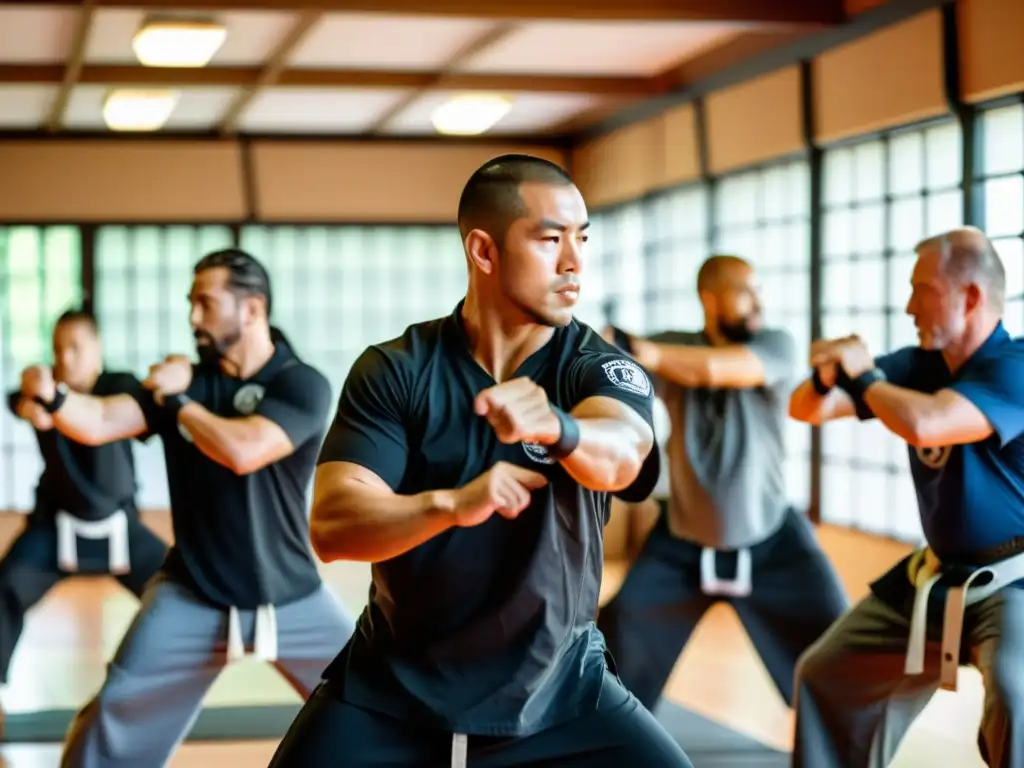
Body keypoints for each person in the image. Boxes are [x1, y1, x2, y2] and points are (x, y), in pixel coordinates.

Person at [268, 155, 693, 768]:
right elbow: (333, 526)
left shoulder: (596, 367)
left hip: (562, 695)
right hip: (391, 693)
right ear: (484, 252)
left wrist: (560, 427)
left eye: (582, 238)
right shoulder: (397, 370)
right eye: (550, 239)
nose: (574, 261)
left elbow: (624, 454)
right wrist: (451, 504)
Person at [18, 250, 354, 768]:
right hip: (191, 590)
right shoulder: (187, 380)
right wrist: (57, 398)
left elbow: (245, 450)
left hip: (290, 593)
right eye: (189, 303)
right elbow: (102, 418)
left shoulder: (300, 382)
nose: (193, 317)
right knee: (111, 714)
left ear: (252, 308)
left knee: (370, 702)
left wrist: (177, 404)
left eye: (205, 302)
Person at [789, 226, 1024, 768]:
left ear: (969, 297)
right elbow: (806, 409)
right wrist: (827, 377)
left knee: (1017, 698)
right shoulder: (918, 364)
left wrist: (865, 374)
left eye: (923, 290)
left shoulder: (1014, 366)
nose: (908, 306)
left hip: (1015, 581)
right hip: (935, 577)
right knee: (825, 673)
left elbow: (929, 423)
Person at [596, 255, 848, 713]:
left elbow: (719, 368)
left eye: (758, 290)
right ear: (709, 299)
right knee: (614, 642)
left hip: (772, 541)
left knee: (838, 655)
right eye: (744, 291)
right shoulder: (675, 348)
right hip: (681, 543)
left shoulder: (776, 344)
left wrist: (645, 351)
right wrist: (606, 347)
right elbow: (615, 368)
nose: (757, 302)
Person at [1, 310, 167, 696]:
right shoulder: (41, 390)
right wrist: (29, 398)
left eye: (75, 348)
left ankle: (159, 687)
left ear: (97, 350)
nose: (65, 359)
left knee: (176, 593)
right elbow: (18, 397)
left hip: (121, 525)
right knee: (6, 586)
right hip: (54, 525)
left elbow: (141, 406)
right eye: (58, 349)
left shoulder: (118, 385)